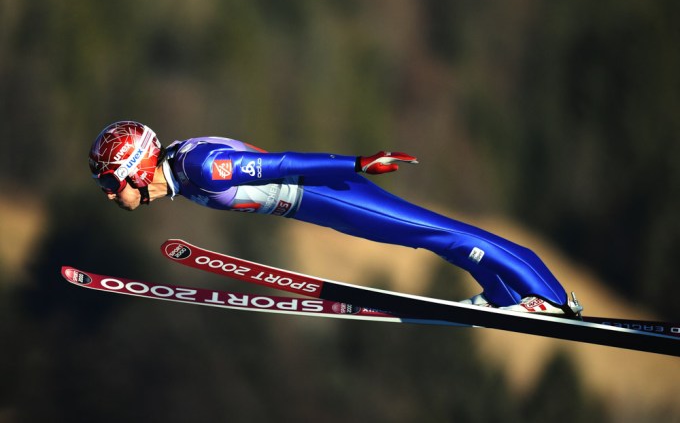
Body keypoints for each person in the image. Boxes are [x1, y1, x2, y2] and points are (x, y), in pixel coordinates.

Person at [88, 120, 582, 316]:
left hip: (329, 192)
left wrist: (357, 164)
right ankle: (503, 295)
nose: (110, 194)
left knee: (438, 233)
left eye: (111, 182)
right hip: (320, 204)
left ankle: (552, 298)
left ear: (136, 168)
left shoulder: (199, 166)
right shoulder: (179, 172)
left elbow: (282, 164)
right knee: (432, 239)